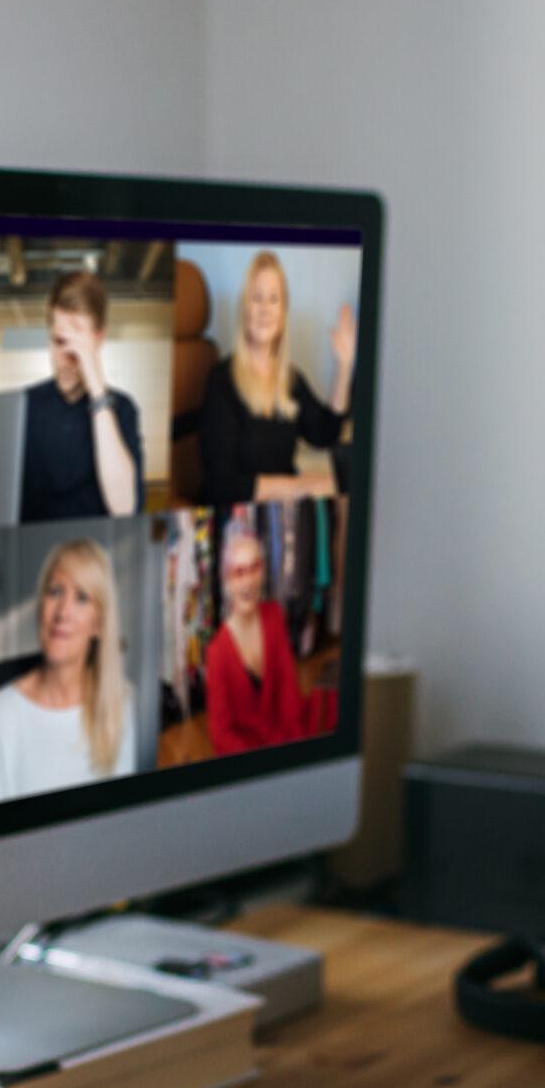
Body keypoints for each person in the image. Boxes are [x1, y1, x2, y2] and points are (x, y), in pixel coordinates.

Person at [0, 538, 137, 804]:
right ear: (40, 607)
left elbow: (121, 821)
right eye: (55, 592)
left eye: (81, 597)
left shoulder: (120, 703)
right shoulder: (2, 712)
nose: (63, 612)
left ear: (99, 625)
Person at [193, 250, 353, 506]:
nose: (265, 309)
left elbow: (326, 434)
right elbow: (221, 484)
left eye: (273, 299)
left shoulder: (291, 379)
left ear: (283, 314)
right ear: (244, 309)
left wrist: (343, 367)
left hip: (283, 510)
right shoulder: (221, 380)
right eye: (256, 298)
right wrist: (298, 486)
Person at [21, 269, 140, 522]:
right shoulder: (24, 405)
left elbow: (124, 506)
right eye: (58, 342)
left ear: (99, 338)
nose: (64, 359)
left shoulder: (124, 409)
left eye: (75, 345)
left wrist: (96, 386)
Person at [203, 524, 332, 755]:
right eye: (239, 572)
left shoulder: (273, 616)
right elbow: (221, 735)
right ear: (226, 581)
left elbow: (288, 692)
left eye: (254, 568)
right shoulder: (217, 652)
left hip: (282, 736)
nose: (248, 581)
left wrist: (292, 746)